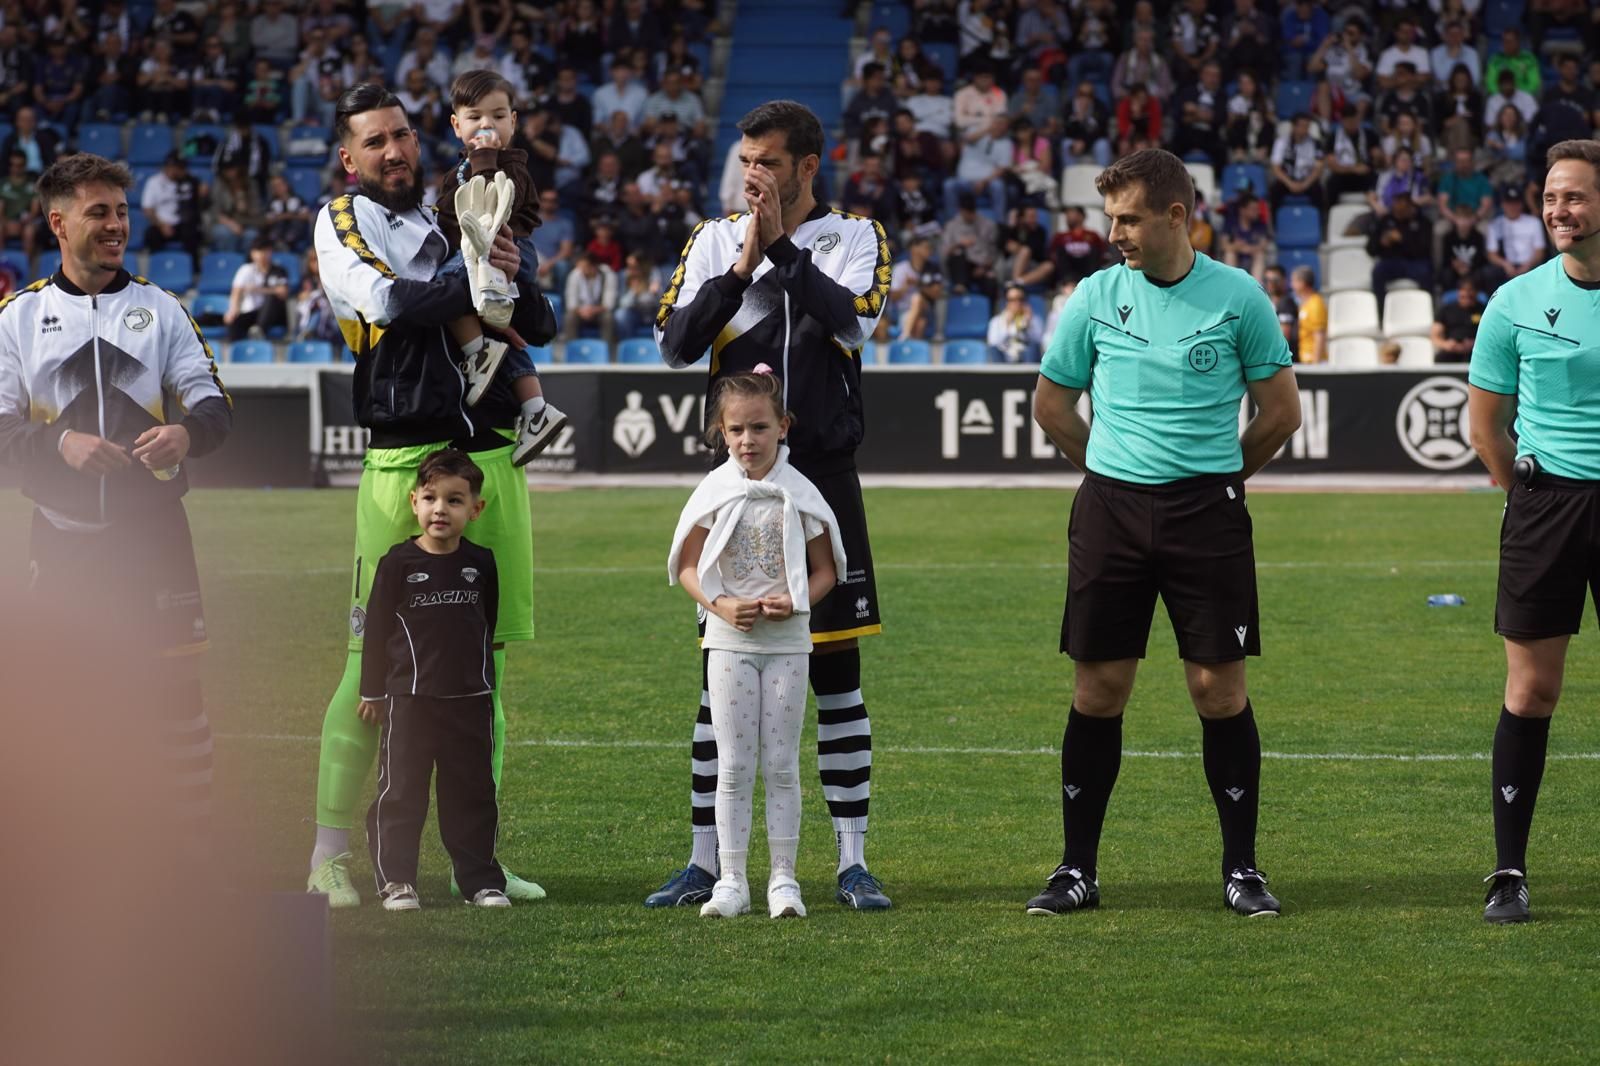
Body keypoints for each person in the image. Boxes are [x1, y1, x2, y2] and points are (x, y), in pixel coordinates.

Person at [1029, 148, 1302, 918]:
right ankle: (1076, 869)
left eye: (1126, 218)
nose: (1112, 232)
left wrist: (1220, 478)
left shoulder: (1239, 297)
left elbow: (1280, 412)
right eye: (1108, 216)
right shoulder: (1093, 297)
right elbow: (1052, 405)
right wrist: (1107, 469)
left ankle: (1242, 869)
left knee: (1218, 691)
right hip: (1110, 511)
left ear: (1175, 216)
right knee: (1099, 688)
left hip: (1205, 515)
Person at [304, 82, 556, 909]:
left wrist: (508, 272)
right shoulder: (347, 219)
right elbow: (384, 300)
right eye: (375, 141)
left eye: (402, 136)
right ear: (350, 157)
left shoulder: (451, 212)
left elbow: (537, 323)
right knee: (365, 668)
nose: (395, 151)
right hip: (405, 462)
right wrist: (474, 279)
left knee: (486, 670)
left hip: (489, 459)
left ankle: (475, 862)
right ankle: (330, 854)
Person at [650, 99, 894, 911]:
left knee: (836, 670)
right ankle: (702, 862)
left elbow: (854, 326)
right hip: (739, 485)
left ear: (805, 167)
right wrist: (738, 267)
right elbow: (675, 343)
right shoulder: (714, 238)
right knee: (722, 670)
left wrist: (783, 251)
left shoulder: (857, 236)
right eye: (746, 159)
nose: (752, 174)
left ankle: (851, 862)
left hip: (822, 475)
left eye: (767, 162)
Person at [0, 153, 232, 840]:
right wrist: (57, 446)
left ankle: (191, 850)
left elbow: (214, 409)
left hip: (154, 541)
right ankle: (73, 859)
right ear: (58, 222)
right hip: (62, 542)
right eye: (98, 212)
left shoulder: (162, 311)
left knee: (176, 703)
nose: (115, 226)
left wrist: (186, 436)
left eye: (122, 212)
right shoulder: (17, 318)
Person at [1467, 139, 1600, 924]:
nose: (1559, 209)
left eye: (1576, 196)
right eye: (1552, 196)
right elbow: (1487, 428)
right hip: (1545, 506)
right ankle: (1509, 870)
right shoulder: (1515, 301)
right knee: (1532, 688)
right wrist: (1527, 495)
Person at [667, 369, 845, 919]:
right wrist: (719, 605)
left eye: (760, 428)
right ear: (721, 431)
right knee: (734, 765)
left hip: (788, 643)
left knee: (783, 764)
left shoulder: (800, 492)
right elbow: (688, 565)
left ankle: (784, 880)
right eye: (737, 429)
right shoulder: (716, 490)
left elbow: (826, 570)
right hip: (727, 643)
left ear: (783, 427)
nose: (748, 440)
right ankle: (733, 880)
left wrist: (796, 601)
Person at [358, 449, 510, 911]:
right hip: (410, 701)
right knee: (401, 791)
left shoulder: (481, 562)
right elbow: (377, 629)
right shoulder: (397, 563)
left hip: (469, 700)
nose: (440, 509)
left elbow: (487, 622)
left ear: (475, 509)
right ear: (414, 502)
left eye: (454, 500)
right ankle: (397, 881)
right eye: (430, 498)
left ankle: (480, 882)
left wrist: (483, 683)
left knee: (472, 793)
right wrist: (373, 690)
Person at [433, 70, 569, 465]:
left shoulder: (513, 165)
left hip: (509, 250)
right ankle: (536, 411)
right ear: (456, 125)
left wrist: (485, 158)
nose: (486, 125)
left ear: (514, 121)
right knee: (505, 336)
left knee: (445, 285)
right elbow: (447, 218)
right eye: (475, 117)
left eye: (497, 116)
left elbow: (493, 206)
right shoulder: (454, 172)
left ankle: (476, 353)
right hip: (475, 252)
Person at [223, 236, 289, 341]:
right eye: (259, 251)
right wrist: (233, 309)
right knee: (234, 323)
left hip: (273, 315)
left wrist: (259, 290)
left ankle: (259, 329)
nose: (262, 254)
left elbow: (283, 292)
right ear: (252, 253)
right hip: (252, 312)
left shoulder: (278, 270)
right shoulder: (246, 270)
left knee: (271, 298)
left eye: (265, 251)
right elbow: (236, 291)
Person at [987, 283, 1043, 362]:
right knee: (994, 350)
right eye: (1012, 300)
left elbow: (1038, 342)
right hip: (1005, 356)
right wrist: (1007, 325)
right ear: (1006, 302)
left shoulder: (1035, 320)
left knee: (1033, 347)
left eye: (1021, 299)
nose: (1017, 303)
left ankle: (1030, 374)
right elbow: (993, 343)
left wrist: (1028, 324)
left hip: (1026, 356)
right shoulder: (996, 321)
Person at [1433, 276, 1482, 363]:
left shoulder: (1483, 310)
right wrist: (1446, 345)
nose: (1467, 294)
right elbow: (1435, 336)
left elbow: (1490, 334)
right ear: (1458, 292)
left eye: (1470, 290)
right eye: (1464, 290)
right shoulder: (1446, 310)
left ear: (1477, 292)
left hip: (1475, 350)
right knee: (1440, 358)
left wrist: (1475, 343)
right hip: (1451, 350)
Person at [1290, 265, 1327, 364]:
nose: (1291, 285)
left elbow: (1319, 335)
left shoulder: (1315, 304)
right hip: (1305, 361)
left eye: (1294, 281)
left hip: (1314, 362)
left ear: (1302, 283)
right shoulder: (1305, 303)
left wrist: (1316, 364)